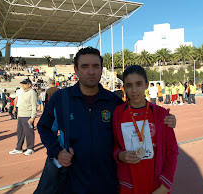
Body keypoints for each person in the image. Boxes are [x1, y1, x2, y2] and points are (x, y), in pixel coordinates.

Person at [37, 47, 177, 193]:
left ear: (101, 69)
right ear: (76, 70)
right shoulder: (61, 99)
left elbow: (138, 112)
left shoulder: (113, 102)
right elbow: (44, 127)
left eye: (95, 66)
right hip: (72, 183)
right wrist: (57, 151)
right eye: (84, 66)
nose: (91, 71)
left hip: (108, 183)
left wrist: (165, 118)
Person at [113, 65, 178, 194]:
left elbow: (172, 151)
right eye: (129, 85)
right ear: (124, 88)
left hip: (156, 184)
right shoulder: (118, 113)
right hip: (129, 183)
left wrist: (165, 185)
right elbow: (114, 145)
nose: (134, 90)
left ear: (146, 85)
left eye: (138, 84)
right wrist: (120, 155)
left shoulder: (161, 114)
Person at [9, 78, 37, 156]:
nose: (22, 85)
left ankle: (30, 148)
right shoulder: (23, 92)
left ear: (29, 85)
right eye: (22, 84)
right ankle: (19, 148)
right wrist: (19, 114)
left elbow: (34, 106)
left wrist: (32, 117)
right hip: (21, 115)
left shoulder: (32, 93)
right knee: (20, 132)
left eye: (24, 84)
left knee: (29, 132)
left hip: (28, 115)